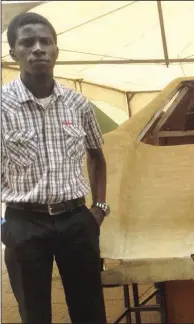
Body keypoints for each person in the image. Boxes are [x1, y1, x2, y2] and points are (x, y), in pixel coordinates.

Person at [1, 12, 109, 323]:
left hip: (77, 220)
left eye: (46, 42)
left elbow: (97, 156)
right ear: (14, 53)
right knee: (34, 314)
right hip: (24, 224)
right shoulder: (2, 106)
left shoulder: (78, 104)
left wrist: (99, 208)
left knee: (90, 310)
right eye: (27, 43)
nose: (38, 49)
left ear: (56, 51)